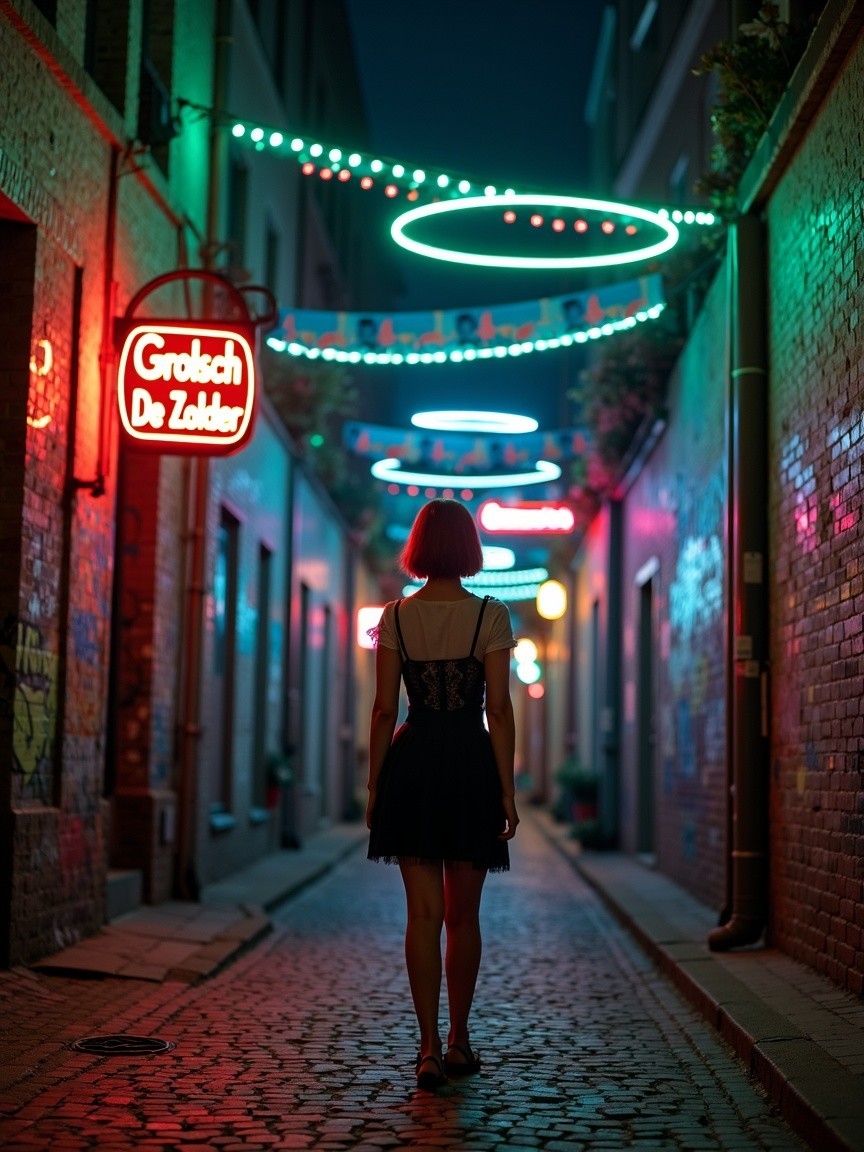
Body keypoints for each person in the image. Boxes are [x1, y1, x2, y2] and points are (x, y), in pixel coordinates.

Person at [366, 499, 519, 1092]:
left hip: (413, 763)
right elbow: (498, 710)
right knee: (464, 917)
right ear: (469, 548)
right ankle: (459, 1041)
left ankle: (427, 1048)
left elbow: (385, 710)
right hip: (470, 766)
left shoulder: (396, 617)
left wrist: (376, 785)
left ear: (419, 548)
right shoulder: (490, 615)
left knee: (422, 916)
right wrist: (507, 792)